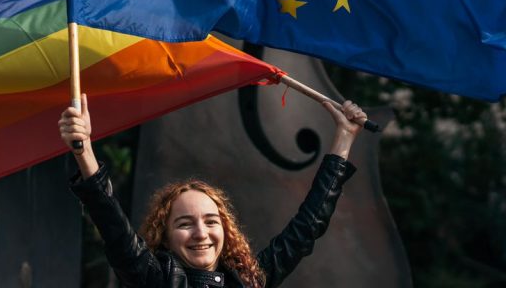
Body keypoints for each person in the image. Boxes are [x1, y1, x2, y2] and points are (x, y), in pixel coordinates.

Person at [59, 94, 367, 288]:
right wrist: (84, 151)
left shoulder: (249, 280)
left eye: (210, 221)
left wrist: (344, 137)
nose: (201, 233)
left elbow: (308, 226)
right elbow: (112, 225)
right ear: (165, 237)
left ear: (225, 229)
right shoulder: (154, 278)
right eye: (184, 223)